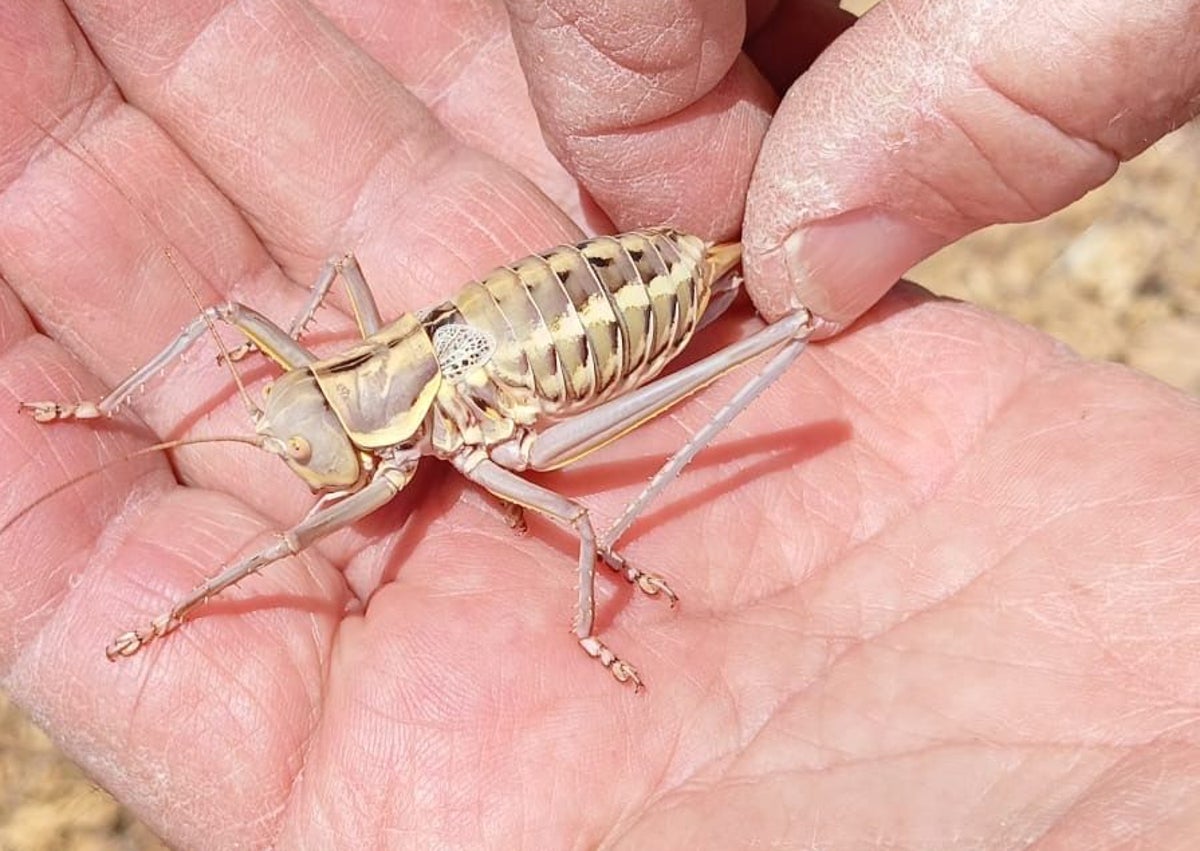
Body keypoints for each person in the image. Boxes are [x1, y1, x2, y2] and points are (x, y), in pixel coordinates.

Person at [0, 1, 1196, 847]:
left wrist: (596, 594)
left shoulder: (450, 441)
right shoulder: (358, 381)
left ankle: (758, 329)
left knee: (583, 504)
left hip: (598, 332)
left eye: (304, 429)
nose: (302, 462)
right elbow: (292, 307)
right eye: (300, 425)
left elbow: (548, 509)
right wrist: (130, 412)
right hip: (508, 325)